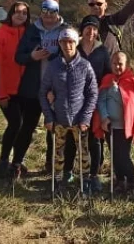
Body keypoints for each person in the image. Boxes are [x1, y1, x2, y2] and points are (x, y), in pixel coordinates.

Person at [40, 27, 98, 192]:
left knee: (84, 153)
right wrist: (48, 117)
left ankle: (85, 180)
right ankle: (57, 181)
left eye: (71, 42)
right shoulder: (53, 66)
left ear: (76, 42)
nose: (68, 45)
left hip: (80, 121)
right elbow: (43, 92)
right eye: (64, 42)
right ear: (59, 43)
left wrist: (86, 118)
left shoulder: (85, 66)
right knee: (58, 153)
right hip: (59, 118)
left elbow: (93, 93)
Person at [15, 0, 68, 173]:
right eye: (44, 11)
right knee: (27, 126)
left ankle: (52, 166)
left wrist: (56, 57)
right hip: (33, 88)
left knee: (54, 128)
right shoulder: (32, 30)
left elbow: (73, 56)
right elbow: (19, 56)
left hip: (57, 89)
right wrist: (32, 56)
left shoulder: (65, 30)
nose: (48, 15)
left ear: (57, 12)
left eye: (52, 12)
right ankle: (17, 163)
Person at [95, 51, 134, 194]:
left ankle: (132, 182)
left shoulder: (132, 82)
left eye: (120, 64)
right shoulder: (107, 80)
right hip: (110, 126)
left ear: (127, 65)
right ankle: (120, 180)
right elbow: (101, 100)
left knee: (123, 155)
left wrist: (117, 90)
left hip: (124, 127)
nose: (117, 66)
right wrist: (104, 117)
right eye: (114, 63)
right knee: (114, 155)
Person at [0, 0, 30, 176]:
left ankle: (17, 163)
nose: (20, 15)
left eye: (24, 12)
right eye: (17, 12)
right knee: (16, 124)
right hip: (7, 90)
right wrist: (1, 93)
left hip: (26, 90)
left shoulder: (30, 33)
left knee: (24, 128)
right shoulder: (0, 35)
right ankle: (3, 160)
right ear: (11, 14)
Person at [79, 15, 112, 192]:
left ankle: (94, 174)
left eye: (94, 29)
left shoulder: (102, 51)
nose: (90, 32)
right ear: (82, 30)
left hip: (96, 100)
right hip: (76, 100)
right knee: (74, 138)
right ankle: (73, 171)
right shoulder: (74, 48)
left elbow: (108, 74)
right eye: (87, 28)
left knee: (95, 138)